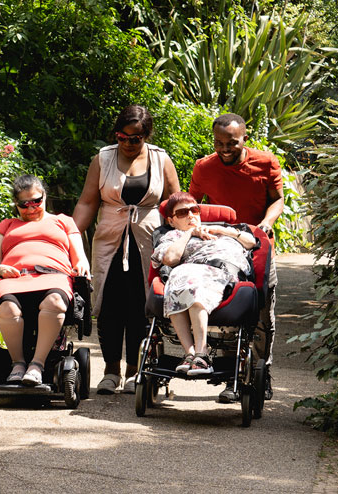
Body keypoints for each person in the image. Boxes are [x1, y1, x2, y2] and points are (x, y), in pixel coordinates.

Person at [72, 105, 180, 395]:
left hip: (147, 242)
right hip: (109, 240)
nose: (129, 144)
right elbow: (87, 202)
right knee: (108, 305)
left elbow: (175, 203)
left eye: (136, 139)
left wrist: (184, 238)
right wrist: (69, 235)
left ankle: (135, 369)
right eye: (123, 137)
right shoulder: (103, 158)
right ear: (116, 134)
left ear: (146, 136)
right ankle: (110, 370)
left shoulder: (160, 159)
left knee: (141, 306)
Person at [189, 113, 282, 402]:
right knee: (229, 308)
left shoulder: (265, 162)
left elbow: (277, 200)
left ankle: (260, 371)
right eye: (219, 143)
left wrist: (267, 222)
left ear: (245, 137)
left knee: (261, 311)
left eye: (232, 142)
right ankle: (233, 377)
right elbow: (193, 206)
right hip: (223, 251)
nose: (225, 148)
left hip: (258, 246)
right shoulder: (204, 167)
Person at [0, 175, 91, 386]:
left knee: (54, 302)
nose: (31, 207)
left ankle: (37, 365)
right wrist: (0, 269)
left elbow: (80, 257)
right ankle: (18, 364)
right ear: (16, 204)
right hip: (14, 277)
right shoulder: (6, 225)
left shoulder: (63, 221)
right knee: (7, 308)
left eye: (36, 201)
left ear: (44, 196)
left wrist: (81, 266)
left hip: (53, 276)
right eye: (25, 204)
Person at [150, 192, 258, 374]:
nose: (191, 215)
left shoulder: (225, 230)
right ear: (171, 221)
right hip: (187, 273)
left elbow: (252, 242)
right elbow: (170, 258)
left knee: (193, 282)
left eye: (194, 210)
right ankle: (192, 355)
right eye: (183, 213)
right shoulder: (171, 236)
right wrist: (189, 233)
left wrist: (222, 230)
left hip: (222, 273)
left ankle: (201, 354)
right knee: (184, 280)